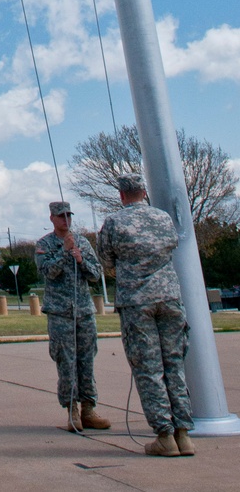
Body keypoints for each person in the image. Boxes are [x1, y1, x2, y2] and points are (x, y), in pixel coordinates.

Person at [98, 173, 195, 458]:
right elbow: (173, 245)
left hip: (137, 302)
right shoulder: (163, 218)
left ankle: (164, 435)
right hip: (169, 298)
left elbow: (106, 260)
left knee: (149, 368)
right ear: (143, 192)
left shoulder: (114, 222)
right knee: (174, 364)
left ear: (121, 195)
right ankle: (184, 434)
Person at [34, 201, 110, 432]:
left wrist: (80, 259)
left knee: (86, 360)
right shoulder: (44, 244)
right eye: (61, 216)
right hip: (60, 312)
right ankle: (72, 410)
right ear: (52, 218)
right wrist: (64, 253)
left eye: (69, 215)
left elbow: (96, 274)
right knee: (66, 362)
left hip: (84, 311)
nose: (66, 220)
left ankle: (88, 408)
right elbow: (47, 272)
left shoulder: (83, 242)